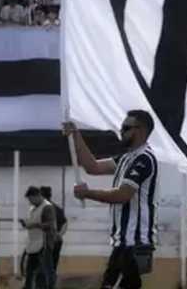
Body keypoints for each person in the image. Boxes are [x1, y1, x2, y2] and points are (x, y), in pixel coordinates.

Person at [66, 110, 159, 289]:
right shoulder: (126, 158)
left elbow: (122, 195)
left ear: (140, 131)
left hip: (134, 242)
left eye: (126, 127)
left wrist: (88, 193)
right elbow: (92, 167)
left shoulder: (143, 159)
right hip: (124, 242)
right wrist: (75, 136)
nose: (121, 131)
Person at [22, 186, 57, 289]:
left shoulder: (47, 207)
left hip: (44, 245)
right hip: (33, 245)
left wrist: (35, 225)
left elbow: (50, 225)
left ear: (37, 196)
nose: (30, 202)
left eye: (31, 199)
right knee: (30, 272)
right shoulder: (33, 208)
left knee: (45, 272)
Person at [40, 186, 67, 281]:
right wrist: (60, 234)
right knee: (53, 265)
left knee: (43, 266)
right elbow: (65, 223)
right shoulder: (57, 208)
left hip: (46, 241)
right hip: (57, 241)